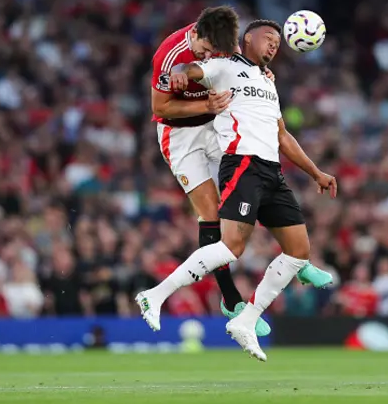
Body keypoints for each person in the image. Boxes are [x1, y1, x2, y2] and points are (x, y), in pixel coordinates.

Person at [138, 19, 337, 361]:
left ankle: (248, 316)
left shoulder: (261, 76)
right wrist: (183, 76)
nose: (275, 45)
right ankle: (179, 296)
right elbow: (181, 80)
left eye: (278, 40)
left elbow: (282, 135)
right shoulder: (212, 62)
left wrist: (316, 172)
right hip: (206, 145)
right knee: (221, 230)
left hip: (257, 159)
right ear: (247, 39)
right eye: (268, 38)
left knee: (298, 248)